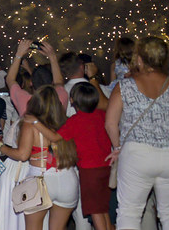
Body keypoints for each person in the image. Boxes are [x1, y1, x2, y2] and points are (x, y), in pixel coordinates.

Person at [105, 36, 169, 230]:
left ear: (139, 58)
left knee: (129, 213)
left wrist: (117, 147)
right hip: (168, 154)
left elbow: (110, 123)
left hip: (136, 155)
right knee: (168, 213)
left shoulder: (124, 85)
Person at [0, 86, 79, 230]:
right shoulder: (68, 122)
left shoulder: (29, 125)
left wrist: (0, 147)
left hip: (41, 180)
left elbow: (22, 154)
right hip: (68, 179)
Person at [58, 83, 112, 230]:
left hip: (89, 170)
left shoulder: (74, 121)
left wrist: (37, 124)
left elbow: (56, 137)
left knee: (95, 210)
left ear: (72, 100)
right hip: (107, 167)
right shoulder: (103, 115)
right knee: (103, 208)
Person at [6, 40, 68, 114]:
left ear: (31, 82)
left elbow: (10, 79)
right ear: (52, 82)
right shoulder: (60, 98)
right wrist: (52, 57)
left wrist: (19, 54)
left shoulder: (25, 101)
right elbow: (59, 82)